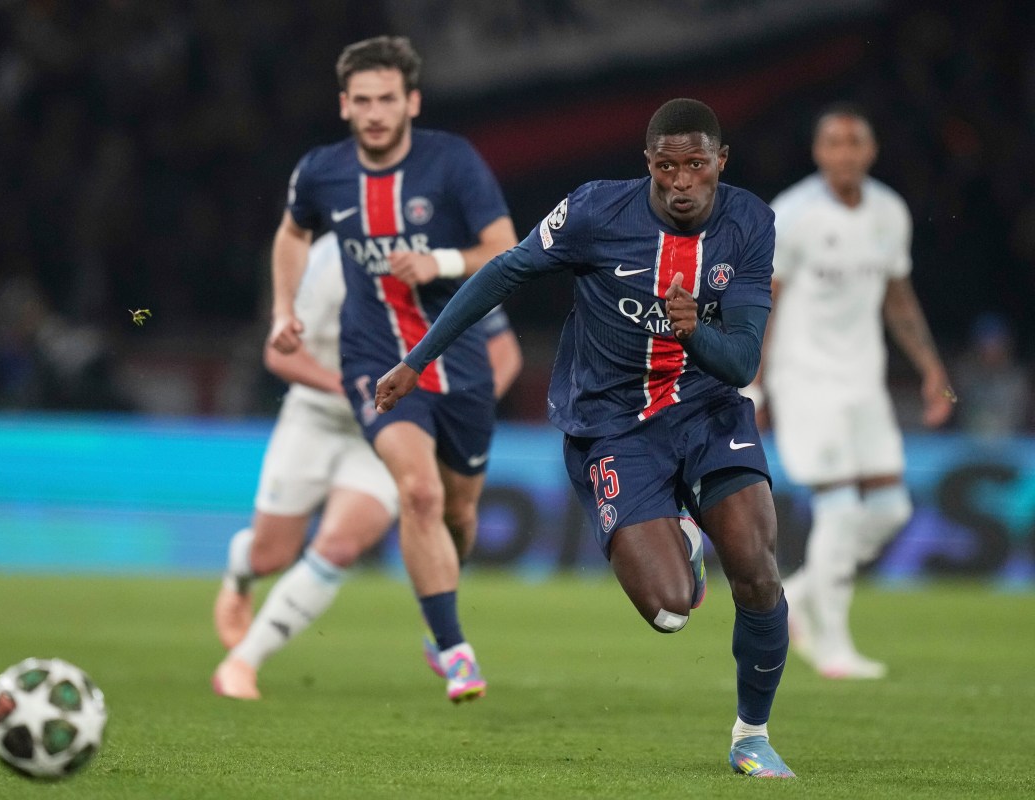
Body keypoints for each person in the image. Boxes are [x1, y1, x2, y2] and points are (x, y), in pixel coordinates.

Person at [376, 99, 795, 778]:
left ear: (721, 161)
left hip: (708, 411)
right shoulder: (595, 210)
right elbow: (504, 271)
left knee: (756, 568)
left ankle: (752, 735)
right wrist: (418, 359)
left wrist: (693, 333)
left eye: (696, 164)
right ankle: (684, 540)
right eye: (667, 167)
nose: (682, 181)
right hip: (612, 425)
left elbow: (743, 361)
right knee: (669, 612)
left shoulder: (751, 221)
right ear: (648, 164)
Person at [259, 36, 518, 703]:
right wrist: (284, 308)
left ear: (412, 102)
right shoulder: (321, 172)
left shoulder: (452, 161)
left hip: (458, 358)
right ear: (345, 105)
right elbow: (292, 232)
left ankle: (439, 619)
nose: (375, 113)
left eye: (387, 100)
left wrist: (441, 262)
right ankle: (456, 651)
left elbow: (504, 246)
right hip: (375, 359)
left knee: (460, 513)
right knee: (419, 492)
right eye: (363, 101)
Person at [212, 233, 523, 700]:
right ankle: (241, 571)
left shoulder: (440, 256)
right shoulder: (328, 261)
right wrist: (352, 389)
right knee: (268, 557)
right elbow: (278, 353)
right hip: (315, 417)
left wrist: (461, 410)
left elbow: (504, 352)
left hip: (393, 427)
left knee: (339, 547)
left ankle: (242, 663)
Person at [752, 104, 955, 681]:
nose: (844, 153)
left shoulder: (889, 212)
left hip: (863, 378)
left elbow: (898, 295)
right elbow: (765, 301)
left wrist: (930, 366)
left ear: (871, 150)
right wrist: (754, 385)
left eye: (854, 142)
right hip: (805, 378)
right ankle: (834, 647)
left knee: (891, 510)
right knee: (839, 509)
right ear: (819, 152)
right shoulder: (793, 214)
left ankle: (798, 595)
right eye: (833, 143)